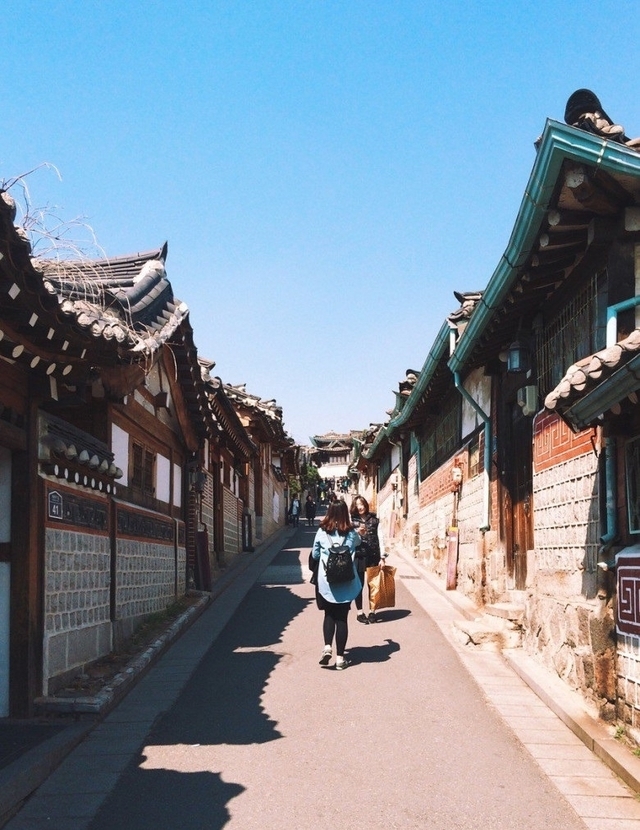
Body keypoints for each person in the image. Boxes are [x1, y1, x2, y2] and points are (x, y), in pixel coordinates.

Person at [311, 500, 361, 670]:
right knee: (342, 619)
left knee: (329, 615)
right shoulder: (351, 533)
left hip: (327, 582)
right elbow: (359, 543)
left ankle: (327, 647)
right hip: (346, 581)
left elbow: (315, 554)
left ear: (330, 512)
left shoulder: (322, 531)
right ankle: (340, 659)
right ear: (346, 513)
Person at [350, 495, 384, 624]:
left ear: (365, 505)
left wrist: (382, 557)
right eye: (357, 505)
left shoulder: (374, 520)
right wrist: (357, 533)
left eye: (362, 504)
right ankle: (360, 612)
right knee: (359, 585)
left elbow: (381, 538)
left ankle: (372, 611)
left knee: (373, 585)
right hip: (359, 556)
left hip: (373, 555)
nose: (360, 507)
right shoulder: (351, 521)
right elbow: (349, 541)